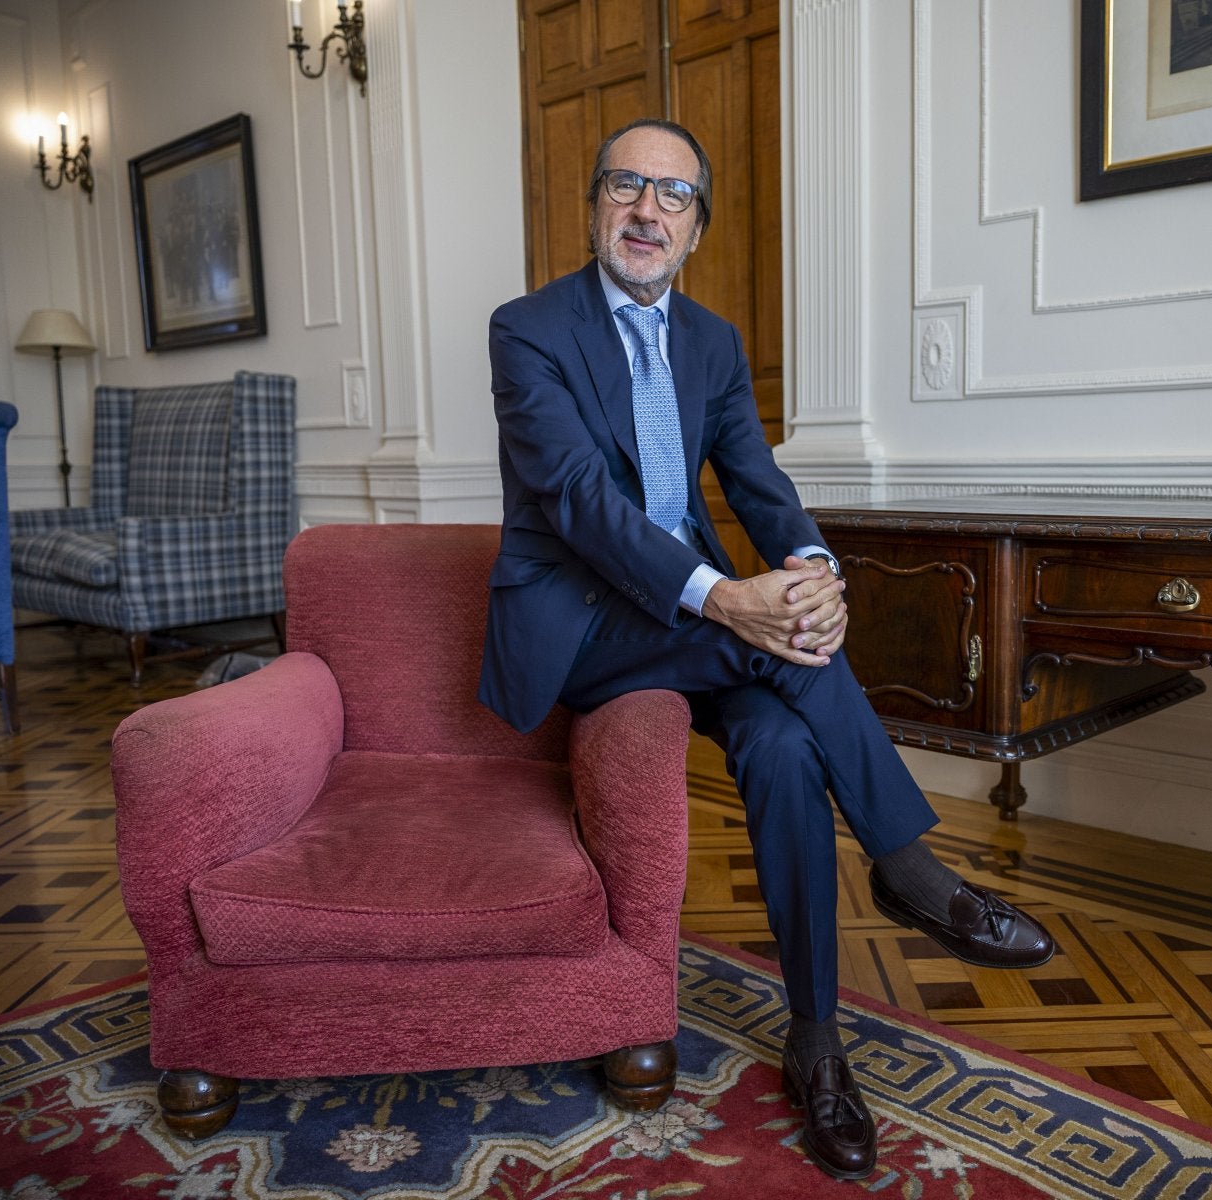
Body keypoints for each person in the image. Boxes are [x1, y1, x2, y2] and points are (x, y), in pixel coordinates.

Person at [479, 117, 1055, 1181]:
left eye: (673, 195)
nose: (646, 211)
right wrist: (732, 600)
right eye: (626, 186)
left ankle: (817, 1043)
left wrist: (811, 568)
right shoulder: (529, 329)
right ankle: (909, 866)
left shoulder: (712, 342)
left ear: (696, 227)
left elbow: (758, 482)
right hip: (585, 629)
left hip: (697, 631)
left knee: (786, 752)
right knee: (774, 637)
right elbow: (578, 503)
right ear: (595, 203)